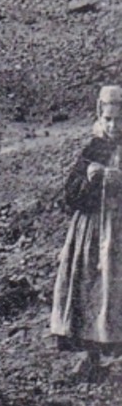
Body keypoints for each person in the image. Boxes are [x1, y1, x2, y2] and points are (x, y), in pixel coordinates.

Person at [51, 85, 122, 381]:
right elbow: (69, 198)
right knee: (89, 287)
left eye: (120, 120)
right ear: (99, 116)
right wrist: (90, 182)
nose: (114, 127)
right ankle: (91, 356)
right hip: (92, 231)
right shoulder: (94, 148)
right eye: (108, 120)